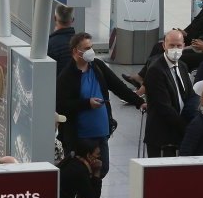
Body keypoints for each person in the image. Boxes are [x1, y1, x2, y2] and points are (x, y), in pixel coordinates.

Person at [55, 32, 144, 177]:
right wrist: (87, 103)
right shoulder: (66, 77)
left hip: (101, 132)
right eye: (86, 48)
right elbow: (62, 105)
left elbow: (118, 86)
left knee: (102, 168)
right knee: (81, 172)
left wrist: (139, 102)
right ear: (75, 51)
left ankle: (93, 197)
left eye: (91, 47)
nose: (91, 51)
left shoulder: (97, 67)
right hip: (80, 136)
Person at [142, 29, 194, 158]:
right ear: (164, 45)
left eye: (178, 45)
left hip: (179, 131)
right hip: (161, 135)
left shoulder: (182, 66)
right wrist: (186, 127)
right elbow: (163, 107)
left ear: (184, 46)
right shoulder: (155, 70)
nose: (175, 49)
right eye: (171, 45)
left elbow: (190, 95)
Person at [46, 5, 77, 74]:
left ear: (54, 18)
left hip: (57, 84)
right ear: (73, 20)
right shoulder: (81, 43)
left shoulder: (49, 44)